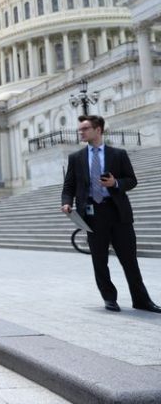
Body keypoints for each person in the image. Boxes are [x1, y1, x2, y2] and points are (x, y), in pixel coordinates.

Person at [61, 114, 161, 313]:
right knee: (99, 260)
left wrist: (115, 183)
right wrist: (66, 203)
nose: (81, 132)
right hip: (92, 215)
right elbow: (69, 185)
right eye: (80, 129)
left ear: (98, 130)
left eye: (85, 129)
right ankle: (109, 298)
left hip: (118, 213)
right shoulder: (76, 158)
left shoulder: (118, 154)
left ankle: (141, 300)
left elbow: (131, 180)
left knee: (129, 260)